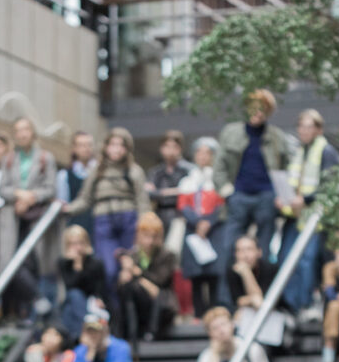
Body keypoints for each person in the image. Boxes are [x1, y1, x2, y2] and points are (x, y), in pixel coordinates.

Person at [214, 88, 288, 306]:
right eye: (254, 107)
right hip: (239, 197)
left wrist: (280, 196)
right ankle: (227, 302)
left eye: (263, 109)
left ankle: (265, 301)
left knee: (262, 254)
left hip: (266, 197)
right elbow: (218, 168)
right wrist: (229, 193)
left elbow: (285, 170)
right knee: (229, 251)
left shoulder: (277, 137)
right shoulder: (231, 132)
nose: (258, 112)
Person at [66, 128, 150, 298]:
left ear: (127, 149)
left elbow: (142, 202)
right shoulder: (96, 171)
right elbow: (85, 199)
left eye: (121, 145)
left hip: (129, 221)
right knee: (108, 270)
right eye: (113, 145)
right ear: (106, 147)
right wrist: (67, 209)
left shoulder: (134, 171)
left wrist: (144, 227)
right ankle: (113, 313)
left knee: (129, 270)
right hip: (104, 221)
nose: (116, 149)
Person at [277, 110, 339, 317]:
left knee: (307, 260)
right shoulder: (299, 151)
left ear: (318, 129)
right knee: (286, 258)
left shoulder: (327, 151)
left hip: (315, 218)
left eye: (308, 126)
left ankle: (305, 303)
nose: (304, 131)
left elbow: (331, 184)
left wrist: (305, 199)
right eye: (301, 126)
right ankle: (290, 304)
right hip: (293, 216)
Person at [0, 117, 58, 316]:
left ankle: (36, 307)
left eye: (26, 129)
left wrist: (31, 197)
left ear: (32, 132)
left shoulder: (45, 158)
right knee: (11, 265)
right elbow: (2, 189)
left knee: (33, 265)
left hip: (36, 219)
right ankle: (36, 299)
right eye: (18, 130)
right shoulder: (8, 159)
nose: (22, 134)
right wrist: (19, 195)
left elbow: (51, 189)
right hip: (13, 219)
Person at [177, 137, 226, 318]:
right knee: (196, 275)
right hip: (193, 230)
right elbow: (183, 205)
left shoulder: (217, 179)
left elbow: (222, 205)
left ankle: (214, 311)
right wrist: (197, 222)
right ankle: (199, 314)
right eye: (199, 152)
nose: (203, 156)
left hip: (213, 231)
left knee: (214, 274)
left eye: (208, 153)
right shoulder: (188, 181)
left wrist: (208, 222)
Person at [116, 211, 178, 349]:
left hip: (161, 305)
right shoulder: (132, 255)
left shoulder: (167, 256)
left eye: (154, 237)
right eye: (146, 236)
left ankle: (150, 333)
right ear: (138, 235)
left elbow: (160, 281)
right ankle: (130, 335)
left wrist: (136, 272)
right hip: (138, 302)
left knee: (156, 294)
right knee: (127, 288)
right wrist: (124, 275)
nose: (149, 241)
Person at [58, 225, 109, 343]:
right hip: (76, 303)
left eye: (80, 243)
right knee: (74, 297)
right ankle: (85, 332)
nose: (78, 247)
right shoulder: (63, 263)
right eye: (73, 244)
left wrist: (98, 297)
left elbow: (99, 286)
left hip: (92, 302)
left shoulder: (96, 263)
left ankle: (77, 338)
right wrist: (77, 265)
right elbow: (70, 285)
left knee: (70, 311)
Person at [146, 129, 193, 235]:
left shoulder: (188, 170)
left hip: (182, 216)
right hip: (160, 216)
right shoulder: (155, 172)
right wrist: (176, 191)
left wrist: (160, 192)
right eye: (167, 146)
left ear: (180, 148)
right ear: (161, 148)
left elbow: (190, 192)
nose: (170, 151)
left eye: (174, 147)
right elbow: (149, 194)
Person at [56, 131, 97, 238]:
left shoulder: (100, 172)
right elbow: (63, 205)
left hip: (98, 227)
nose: (86, 148)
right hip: (75, 229)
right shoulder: (64, 175)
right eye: (82, 145)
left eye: (89, 144)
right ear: (74, 148)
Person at [226, 234, 278, 314]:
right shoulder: (233, 270)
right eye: (240, 250)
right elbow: (238, 300)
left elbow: (261, 302)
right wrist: (251, 299)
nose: (245, 255)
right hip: (246, 313)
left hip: (273, 313)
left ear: (259, 252)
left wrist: (246, 273)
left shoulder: (270, 269)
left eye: (249, 249)